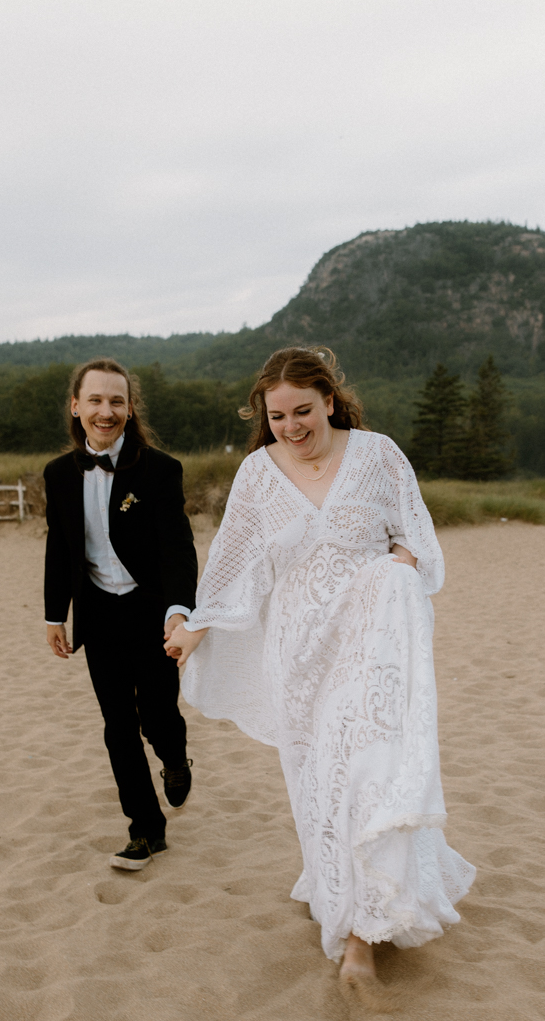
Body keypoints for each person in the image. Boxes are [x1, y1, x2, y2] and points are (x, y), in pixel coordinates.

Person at [165, 346, 475, 996]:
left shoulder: (377, 455)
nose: (291, 426)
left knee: (363, 771)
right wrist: (196, 624)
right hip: (297, 655)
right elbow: (236, 565)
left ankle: (359, 940)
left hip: (365, 643)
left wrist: (398, 564)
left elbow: (414, 535)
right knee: (315, 786)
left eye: (302, 410)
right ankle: (338, 890)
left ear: (329, 401)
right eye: (276, 416)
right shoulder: (255, 474)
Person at [45, 357, 197, 871]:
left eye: (116, 401)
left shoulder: (160, 470)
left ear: (130, 410)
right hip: (99, 614)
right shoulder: (58, 475)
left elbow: (178, 549)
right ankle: (145, 830)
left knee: (157, 715)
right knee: (117, 724)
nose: (105, 411)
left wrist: (179, 612)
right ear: (76, 406)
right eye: (95, 400)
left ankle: (174, 758)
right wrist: (53, 614)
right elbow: (60, 548)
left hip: (151, 612)